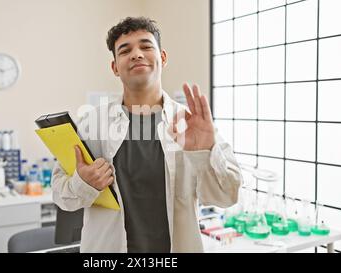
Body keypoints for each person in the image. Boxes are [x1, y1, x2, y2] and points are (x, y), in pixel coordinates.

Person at [51, 17, 243, 253]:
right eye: (125, 50)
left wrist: (206, 152)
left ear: (163, 57)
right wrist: (83, 183)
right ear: (114, 67)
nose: (136, 54)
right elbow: (62, 196)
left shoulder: (191, 124)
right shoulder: (92, 123)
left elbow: (227, 197)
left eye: (146, 46)